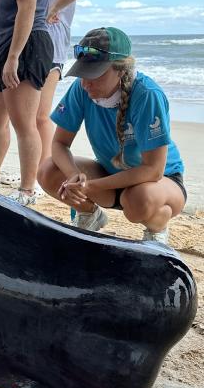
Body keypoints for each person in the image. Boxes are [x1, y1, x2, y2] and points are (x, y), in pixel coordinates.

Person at [37, 27, 187, 245]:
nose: (86, 83)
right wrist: (73, 178)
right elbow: (59, 143)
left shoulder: (147, 95)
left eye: (95, 74)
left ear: (120, 69)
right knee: (49, 170)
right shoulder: (82, 89)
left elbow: (153, 170)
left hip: (160, 181)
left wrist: (92, 187)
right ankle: (90, 214)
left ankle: (157, 227)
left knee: (137, 201)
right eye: (83, 72)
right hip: (110, 174)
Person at [0, 0, 53, 206]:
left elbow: (28, 7)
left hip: (26, 46)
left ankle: (27, 190)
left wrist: (14, 57)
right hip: (4, 50)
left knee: (24, 123)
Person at [37, 0, 95, 165]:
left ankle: (41, 171)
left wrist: (54, 7)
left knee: (39, 116)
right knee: (27, 119)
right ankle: (34, 171)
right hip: (30, 42)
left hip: (50, 42)